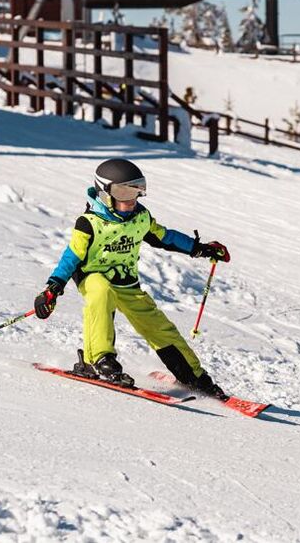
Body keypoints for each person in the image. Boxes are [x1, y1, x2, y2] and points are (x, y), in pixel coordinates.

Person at [34, 158, 232, 397]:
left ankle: (192, 375)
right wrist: (53, 288)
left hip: (127, 283)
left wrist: (200, 248)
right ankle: (99, 360)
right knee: (101, 293)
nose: (130, 200)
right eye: (123, 192)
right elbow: (72, 256)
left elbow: (165, 237)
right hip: (93, 275)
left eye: (135, 191)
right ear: (105, 193)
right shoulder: (89, 223)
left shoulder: (140, 217)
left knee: (158, 326)